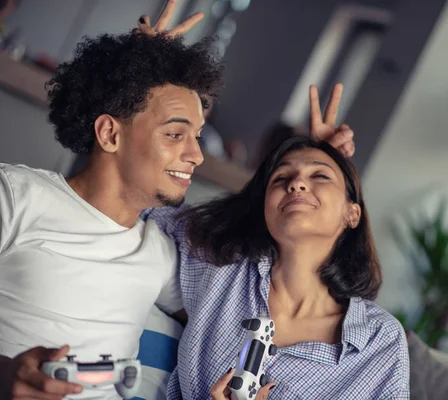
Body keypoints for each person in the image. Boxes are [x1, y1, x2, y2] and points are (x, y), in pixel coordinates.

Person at [0, 2, 356, 399]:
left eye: (198, 135)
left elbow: (263, 276)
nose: (197, 155)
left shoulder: (164, 255)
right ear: (110, 134)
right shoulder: (15, 197)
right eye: (175, 134)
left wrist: (320, 165)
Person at [147, 136, 409, 399]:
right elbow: (143, 200)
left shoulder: (380, 340)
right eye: (281, 178)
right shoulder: (223, 266)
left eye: (320, 175)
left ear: (352, 213)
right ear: (264, 208)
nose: (296, 183)